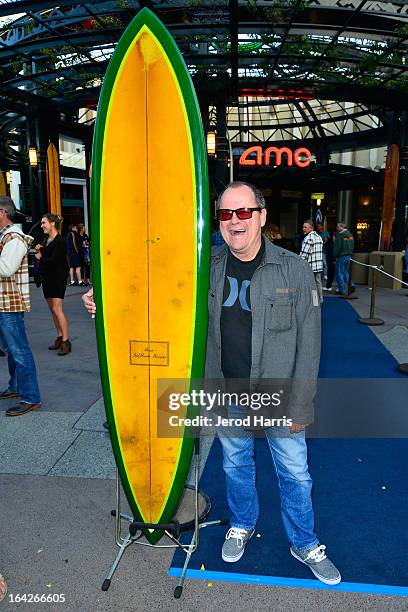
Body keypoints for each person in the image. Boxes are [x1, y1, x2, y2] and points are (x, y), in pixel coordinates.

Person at [82, 182, 341, 585]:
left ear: (262, 216)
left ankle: (304, 542)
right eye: (225, 214)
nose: (234, 221)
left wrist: (301, 406)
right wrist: (108, 300)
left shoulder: (294, 269)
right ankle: (243, 523)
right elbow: (159, 292)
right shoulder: (207, 266)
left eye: (244, 212)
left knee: (294, 473)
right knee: (236, 463)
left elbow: (310, 345)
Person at [0, 196, 41, 416]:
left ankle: (30, 397)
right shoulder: (6, 237)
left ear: (2, 213)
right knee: (11, 349)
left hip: (9, 305)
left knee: (19, 350)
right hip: (3, 303)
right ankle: (16, 387)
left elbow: (6, 268)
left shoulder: (13, 238)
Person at [35, 214, 71, 356]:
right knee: (52, 310)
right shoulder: (46, 240)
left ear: (52, 223)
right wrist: (41, 249)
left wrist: (40, 256)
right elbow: (47, 254)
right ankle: (60, 336)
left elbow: (54, 261)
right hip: (48, 278)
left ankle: (66, 342)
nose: (42, 225)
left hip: (58, 278)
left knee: (57, 309)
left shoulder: (60, 241)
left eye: (44, 223)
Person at [299, 220, 324, 303]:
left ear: (311, 228)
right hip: (318, 265)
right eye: (303, 227)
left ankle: (314, 301)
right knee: (318, 283)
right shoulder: (318, 237)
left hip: (310, 266)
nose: (303, 229)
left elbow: (304, 254)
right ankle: (320, 299)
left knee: (310, 284)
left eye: (305, 227)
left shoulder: (308, 238)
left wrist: (298, 263)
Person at [333, 222, 354, 296]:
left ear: (341, 227)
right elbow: (352, 245)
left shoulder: (340, 236)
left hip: (341, 256)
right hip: (349, 256)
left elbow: (337, 247)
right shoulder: (350, 235)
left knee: (339, 273)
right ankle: (351, 285)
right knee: (345, 272)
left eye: (338, 227)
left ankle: (341, 290)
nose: (337, 228)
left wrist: (334, 255)